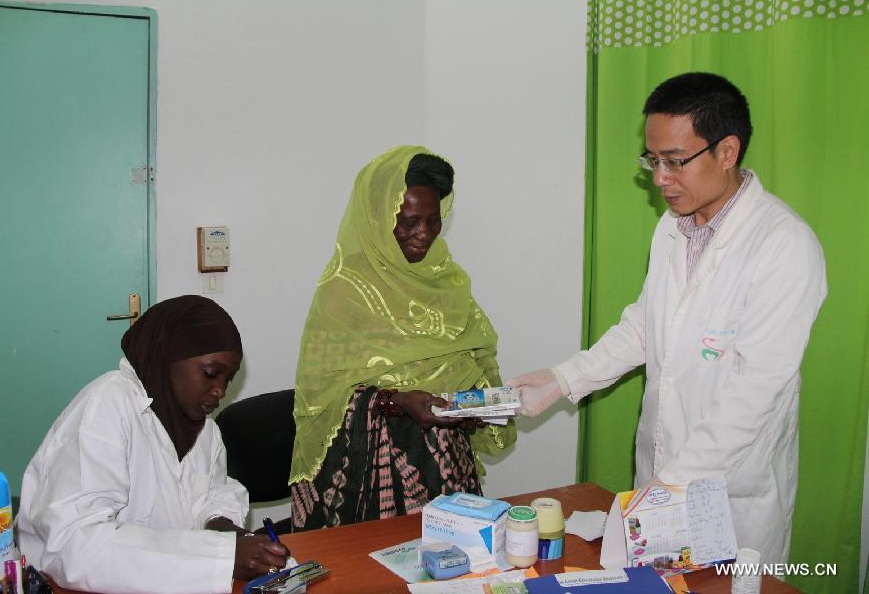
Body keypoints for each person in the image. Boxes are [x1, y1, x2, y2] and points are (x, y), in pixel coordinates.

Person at [509, 73, 826, 565]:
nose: (659, 178)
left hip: (731, 497)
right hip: (660, 482)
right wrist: (563, 378)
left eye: (675, 162)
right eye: (653, 160)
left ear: (727, 151)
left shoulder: (784, 246)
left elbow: (756, 391)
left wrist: (671, 488)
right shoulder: (673, 227)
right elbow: (646, 325)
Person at [289, 145, 516, 530]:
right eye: (409, 222)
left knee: (454, 571)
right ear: (378, 219)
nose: (423, 235)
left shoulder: (444, 276)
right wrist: (398, 402)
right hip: (372, 472)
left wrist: (472, 405)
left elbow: (471, 355)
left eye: (433, 220)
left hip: (447, 464)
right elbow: (322, 395)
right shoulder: (345, 289)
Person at [16, 295, 289, 594]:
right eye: (211, 374)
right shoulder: (107, 406)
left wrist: (232, 535)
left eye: (229, 378)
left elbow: (213, 495)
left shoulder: (202, 428)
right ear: (167, 356)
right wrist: (220, 557)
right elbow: (75, 547)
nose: (220, 390)